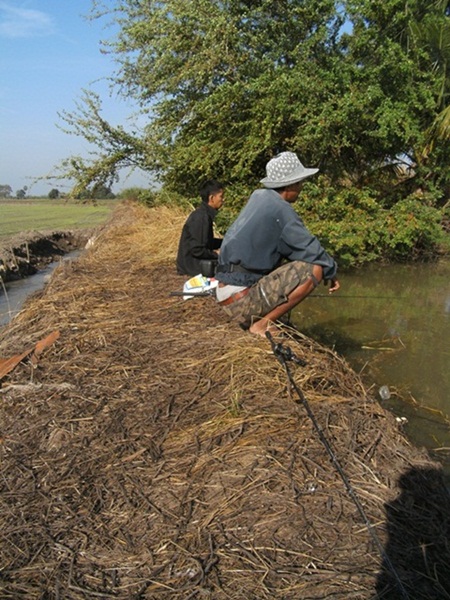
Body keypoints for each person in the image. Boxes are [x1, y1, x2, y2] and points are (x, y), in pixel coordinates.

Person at [215, 152, 340, 336]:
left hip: (225, 294)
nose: (301, 187)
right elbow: (311, 249)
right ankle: (261, 325)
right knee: (315, 269)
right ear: (290, 184)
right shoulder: (281, 209)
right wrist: (332, 270)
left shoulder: (259, 197)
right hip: (239, 302)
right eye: (299, 182)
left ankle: (262, 319)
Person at [176, 180, 224, 276]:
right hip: (192, 267)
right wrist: (217, 254)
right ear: (212, 198)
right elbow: (197, 250)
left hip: (194, 264)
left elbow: (206, 242)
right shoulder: (201, 217)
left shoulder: (204, 214)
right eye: (221, 196)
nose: (223, 200)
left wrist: (226, 242)